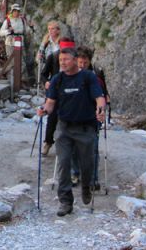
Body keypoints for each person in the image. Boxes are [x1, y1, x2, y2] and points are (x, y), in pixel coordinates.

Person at [37, 47, 106, 217]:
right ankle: (65, 201)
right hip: (64, 128)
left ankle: (86, 186)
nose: (63, 63)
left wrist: (101, 109)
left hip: (86, 127)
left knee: (87, 164)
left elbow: (99, 97)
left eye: (66, 59)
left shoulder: (88, 77)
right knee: (64, 164)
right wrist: (44, 110)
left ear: (75, 60)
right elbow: (51, 103)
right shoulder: (57, 79)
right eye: (61, 60)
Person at [71, 46, 110, 189]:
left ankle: (93, 179)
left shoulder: (96, 77)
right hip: (74, 117)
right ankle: (75, 173)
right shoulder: (70, 76)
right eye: (79, 62)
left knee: (92, 149)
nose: (82, 65)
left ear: (89, 62)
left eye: (85, 63)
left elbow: (103, 96)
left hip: (92, 118)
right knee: (74, 147)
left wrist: (102, 110)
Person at [40, 37, 75, 156]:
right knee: (52, 117)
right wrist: (46, 82)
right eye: (64, 49)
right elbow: (44, 73)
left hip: (71, 93)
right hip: (54, 91)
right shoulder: (53, 57)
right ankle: (48, 142)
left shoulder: (76, 60)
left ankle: (71, 144)